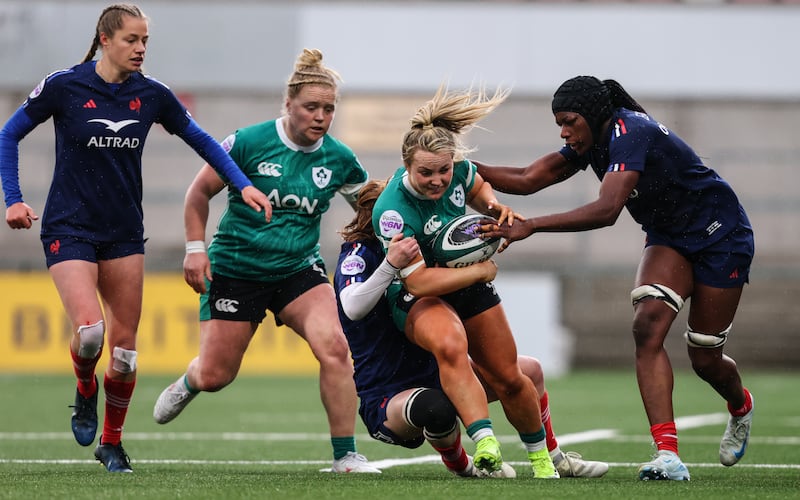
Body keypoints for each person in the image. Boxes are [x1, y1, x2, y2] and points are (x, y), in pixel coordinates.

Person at [0, 4, 270, 473]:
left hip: (124, 233)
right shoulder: (65, 85)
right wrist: (14, 199)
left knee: (124, 354)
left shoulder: (152, 95)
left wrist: (241, 183)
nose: (141, 48)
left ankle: (112, 443)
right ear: (105, 39)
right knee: (90, 335)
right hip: (69, 226)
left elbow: (202, 141)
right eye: (132, 39)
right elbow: (8, 135)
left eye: (145, 40)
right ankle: (85, 387)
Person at [476, 75, 755, 481]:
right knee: (646, 326)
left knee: (705, 358)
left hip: (722, 236)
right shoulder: (591, 142)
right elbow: (528, 178)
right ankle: (667, 455)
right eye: (559, 122)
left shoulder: (631, 131)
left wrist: (532, 226)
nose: (563, 131)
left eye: (569, 120)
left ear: (592, 115)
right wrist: (463, 168)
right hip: (671, 239)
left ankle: (741, 406)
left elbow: (607, 210)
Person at [151, 48, 380, 474]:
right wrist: (195, 249)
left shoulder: (340, 159)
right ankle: (190, 380)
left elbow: (374, 209)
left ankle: (346, 456)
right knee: (217, 375)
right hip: (237, 270)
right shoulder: (248, 143)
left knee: (335, 347)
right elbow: (198, 194)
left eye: (329, 109)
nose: (320, 116)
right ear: (288, 104)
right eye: (311, 107)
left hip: (299, 270)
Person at [335, 179, 609, 479]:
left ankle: (555, 458)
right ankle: (464, 466)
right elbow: (352, 307)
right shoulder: (359, 253)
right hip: (388, 393)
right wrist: (390, 264)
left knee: (529, 371)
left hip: (438, 373)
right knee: (434, 408)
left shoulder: (423, 245)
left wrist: (478, 264)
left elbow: (473, 186)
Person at [370, 85, 559, 478]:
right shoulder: (392, 211)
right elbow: (419, 282)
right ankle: (485, 441)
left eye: (444, 169)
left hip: (465, 286)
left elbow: (477, 187)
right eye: (426, 172)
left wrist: (494, 208)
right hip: (416, 294)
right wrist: (480, 270)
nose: (438, 180)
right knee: (451, 344)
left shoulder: (460, 173)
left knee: (509, 376)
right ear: (407, 166)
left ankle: (542, 460)